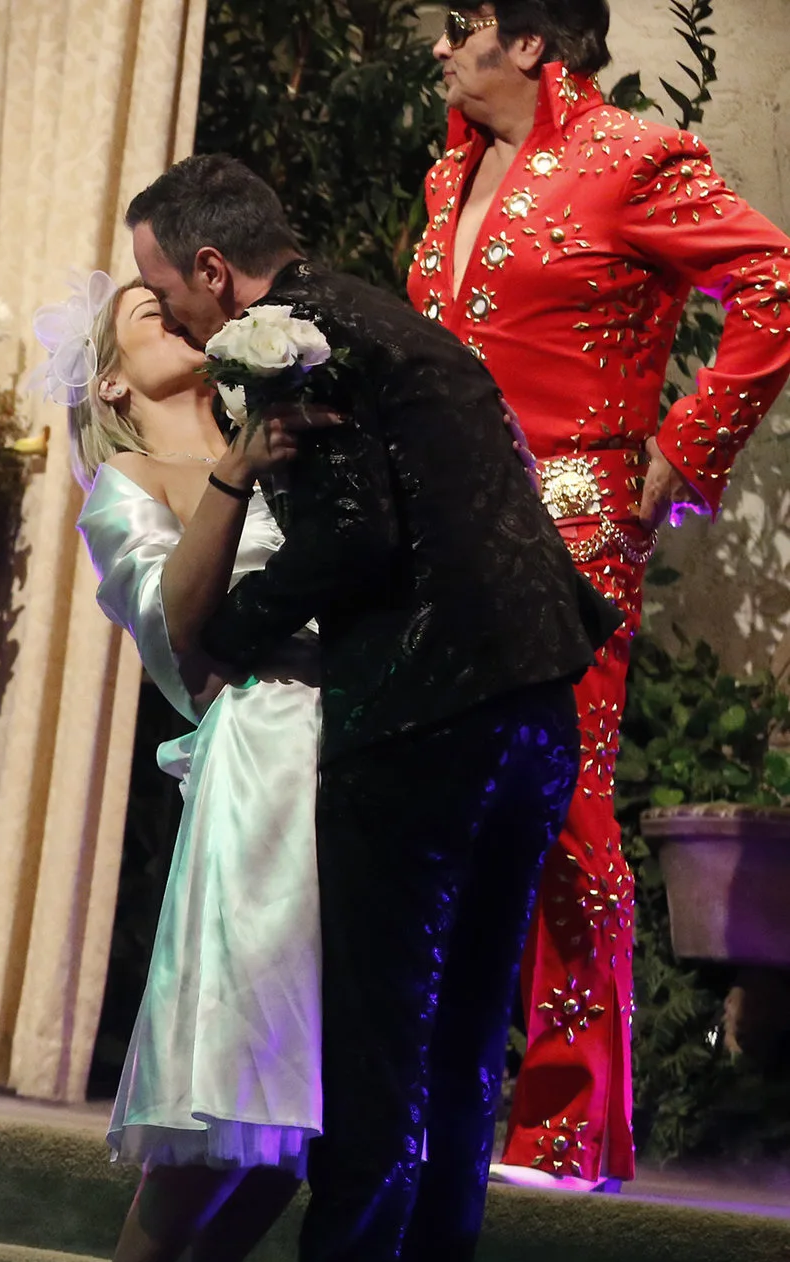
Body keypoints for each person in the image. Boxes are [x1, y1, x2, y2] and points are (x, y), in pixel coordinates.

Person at [118, 154, 618, 1262]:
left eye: (170, 300)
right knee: (458, 1064)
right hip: (535, 706)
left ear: (216, 274)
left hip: (428, 718)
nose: (178, 326)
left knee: (378, 1054)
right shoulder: (391, 320)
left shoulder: (288, 345)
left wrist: (220, 633)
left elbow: (354, 543)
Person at [412, 2, 790, 1190]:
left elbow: (775, 283)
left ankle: (567, 1124)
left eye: (458, 24)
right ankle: (427, 1107)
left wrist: (682, 452)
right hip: (437, 536)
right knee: (430, 812)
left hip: (571, 533)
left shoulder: (631, 157)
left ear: (531, 41)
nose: (437, 47)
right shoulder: (446, 176)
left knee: (561, 811)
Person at [28, 272, 318, 1262]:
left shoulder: (286, 443)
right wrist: (235, 481)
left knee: (298, 1108)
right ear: (110, 379)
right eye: (152, 319)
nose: (184, 324)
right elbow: (172, 635)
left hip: (339, 748)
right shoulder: (125, 488)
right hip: (256, 763)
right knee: (233, 1084)